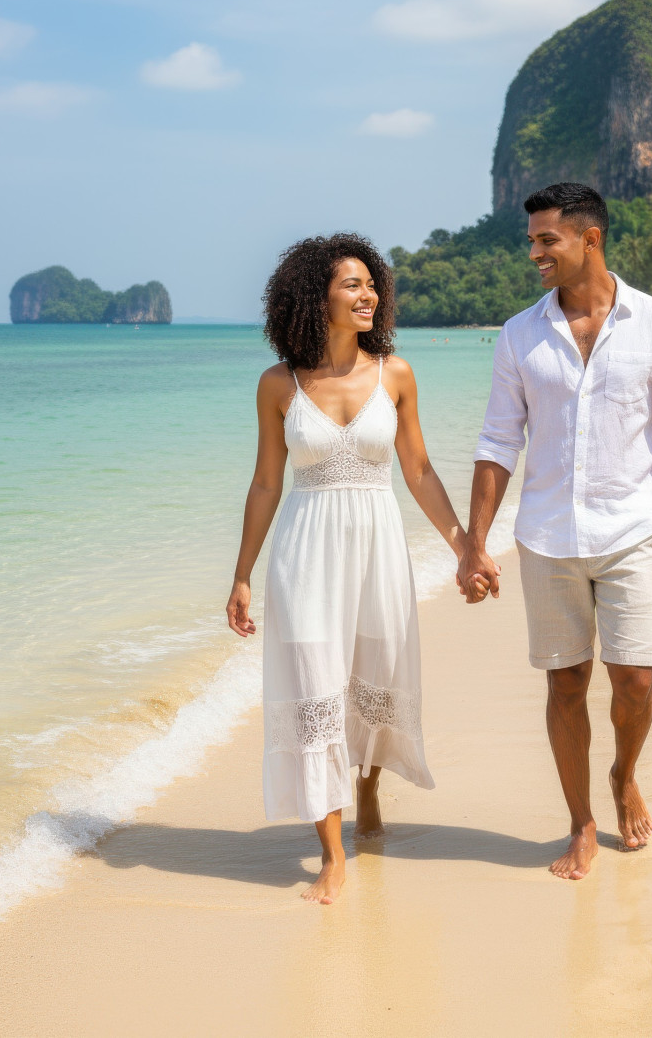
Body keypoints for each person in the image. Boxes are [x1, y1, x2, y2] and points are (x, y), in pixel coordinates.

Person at [226, 233, 489, 905]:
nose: (369, 294)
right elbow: (264, 484)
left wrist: (465, 546)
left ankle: (368, 788)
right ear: (317, 297)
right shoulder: (278, 385)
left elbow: (419, 470)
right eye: (353, 285)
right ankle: (332, 854)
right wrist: (242, 575)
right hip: (305, 552)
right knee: (316, 690)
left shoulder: (395, 374)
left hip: (377, 547)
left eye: (373, 284)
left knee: (375, 679)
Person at [458, 183, 652, 879]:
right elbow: (497, 442)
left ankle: (624, 774)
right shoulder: (519, 333)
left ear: (588, 240)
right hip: (546, 535)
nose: (534, 253)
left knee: (634, 678)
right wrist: (475, 543)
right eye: (532, 241)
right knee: (565, 684)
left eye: (547, 241)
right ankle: (580, 822)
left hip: (632, 529)